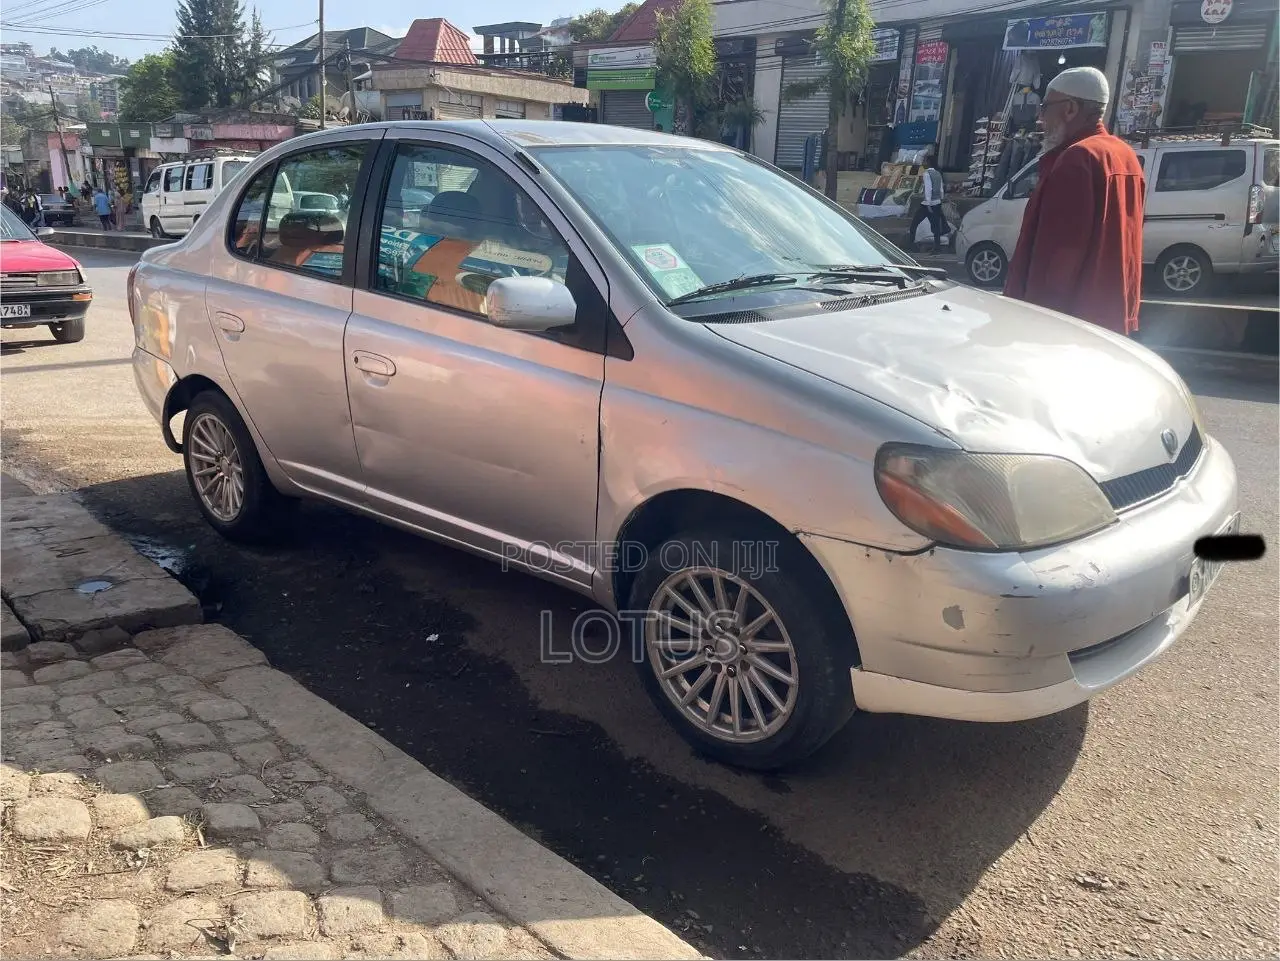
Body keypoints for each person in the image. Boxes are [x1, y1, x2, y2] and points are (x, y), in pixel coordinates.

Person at [1003, 67, 1145, 337]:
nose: (1040, 116)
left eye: (1046, 107)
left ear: (1069, 109)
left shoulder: (1077, 158)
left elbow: (1058, 257)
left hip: (1066, 323)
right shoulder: (1124, 154)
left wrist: (1034, 324)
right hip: (1109, 314)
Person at [917, 154, 950, 253]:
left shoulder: (927, 174)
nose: (923, 163)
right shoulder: (938, 173)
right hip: (937, 202)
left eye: (924, 161)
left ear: (928, 163)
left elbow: (928, 189)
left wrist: (928, 203)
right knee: (936, 226)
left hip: (928, 204)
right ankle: (937, 247)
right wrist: (941, 199)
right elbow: (941, 189)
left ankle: (912, 245)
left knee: (915, 224)